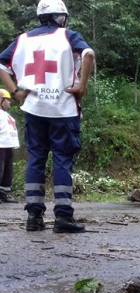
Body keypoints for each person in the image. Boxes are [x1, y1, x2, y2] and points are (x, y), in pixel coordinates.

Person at [0, 0, 95, 233]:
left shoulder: (22, 39)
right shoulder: (68, 36)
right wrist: (82, 86)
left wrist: (15, 91)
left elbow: (1, 64)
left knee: (36, 158)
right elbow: (89, 54)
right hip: (63, 108)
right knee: (62, 158)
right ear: (60, 17)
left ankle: (34, 217)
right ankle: (63, 217)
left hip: (34, 107)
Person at [0, 89, 19, 203]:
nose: (10, 103)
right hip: (0, 145)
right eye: (7, 100)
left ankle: (4, 193)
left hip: (8, 145)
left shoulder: (6, 115)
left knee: (8, 170)